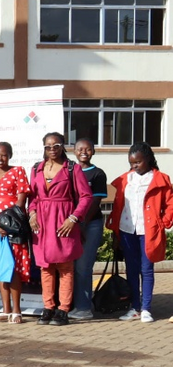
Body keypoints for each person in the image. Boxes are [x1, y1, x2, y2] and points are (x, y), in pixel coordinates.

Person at [27, 132, 91, 326]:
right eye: (48, 146)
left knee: (65, 267)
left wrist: (73, 218)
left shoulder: (72, 168)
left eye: (56, 146)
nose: (52, 150)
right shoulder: (37, 168)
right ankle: (48, 307)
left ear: (63, 146)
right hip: (42, 224)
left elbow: (86, 197)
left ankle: (63, 310)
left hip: (64, 222)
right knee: (45, 267)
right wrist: (32, 214)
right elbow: (33, 197)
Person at [109, 142, 173, 323]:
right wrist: (115, 229)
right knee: (131, 269)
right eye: (131, 163)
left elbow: (170, 204)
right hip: (127, 229)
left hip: (149, 231)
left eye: (138, 162)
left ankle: (146, 308)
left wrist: (163, 222)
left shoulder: (160, 179)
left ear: (148, 159)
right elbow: (117, 206)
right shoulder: (125, 179)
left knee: (146, 269)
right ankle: (135, 307)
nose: (134, 166)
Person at [0, 141, 31, 324]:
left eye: (3, 155)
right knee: (1, 266)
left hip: (13, 226)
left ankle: (17, 311)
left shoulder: (18, 171)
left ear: (10, 155)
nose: (0, 158)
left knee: (13, 266)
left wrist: (9, 222)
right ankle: (5, 310)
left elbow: (22, 198)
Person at [69, 138, 107, 320]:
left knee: (83, 267)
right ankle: (74, 304)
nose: (84, 152)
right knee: (70, 267)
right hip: (71, 224)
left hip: (89, 225)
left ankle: (83, 309)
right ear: (74, 151)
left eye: (88, 149)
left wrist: (82, 224)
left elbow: (95, 202)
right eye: (80, 149)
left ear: (94, 151)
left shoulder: (98, 174)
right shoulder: (69, 171)